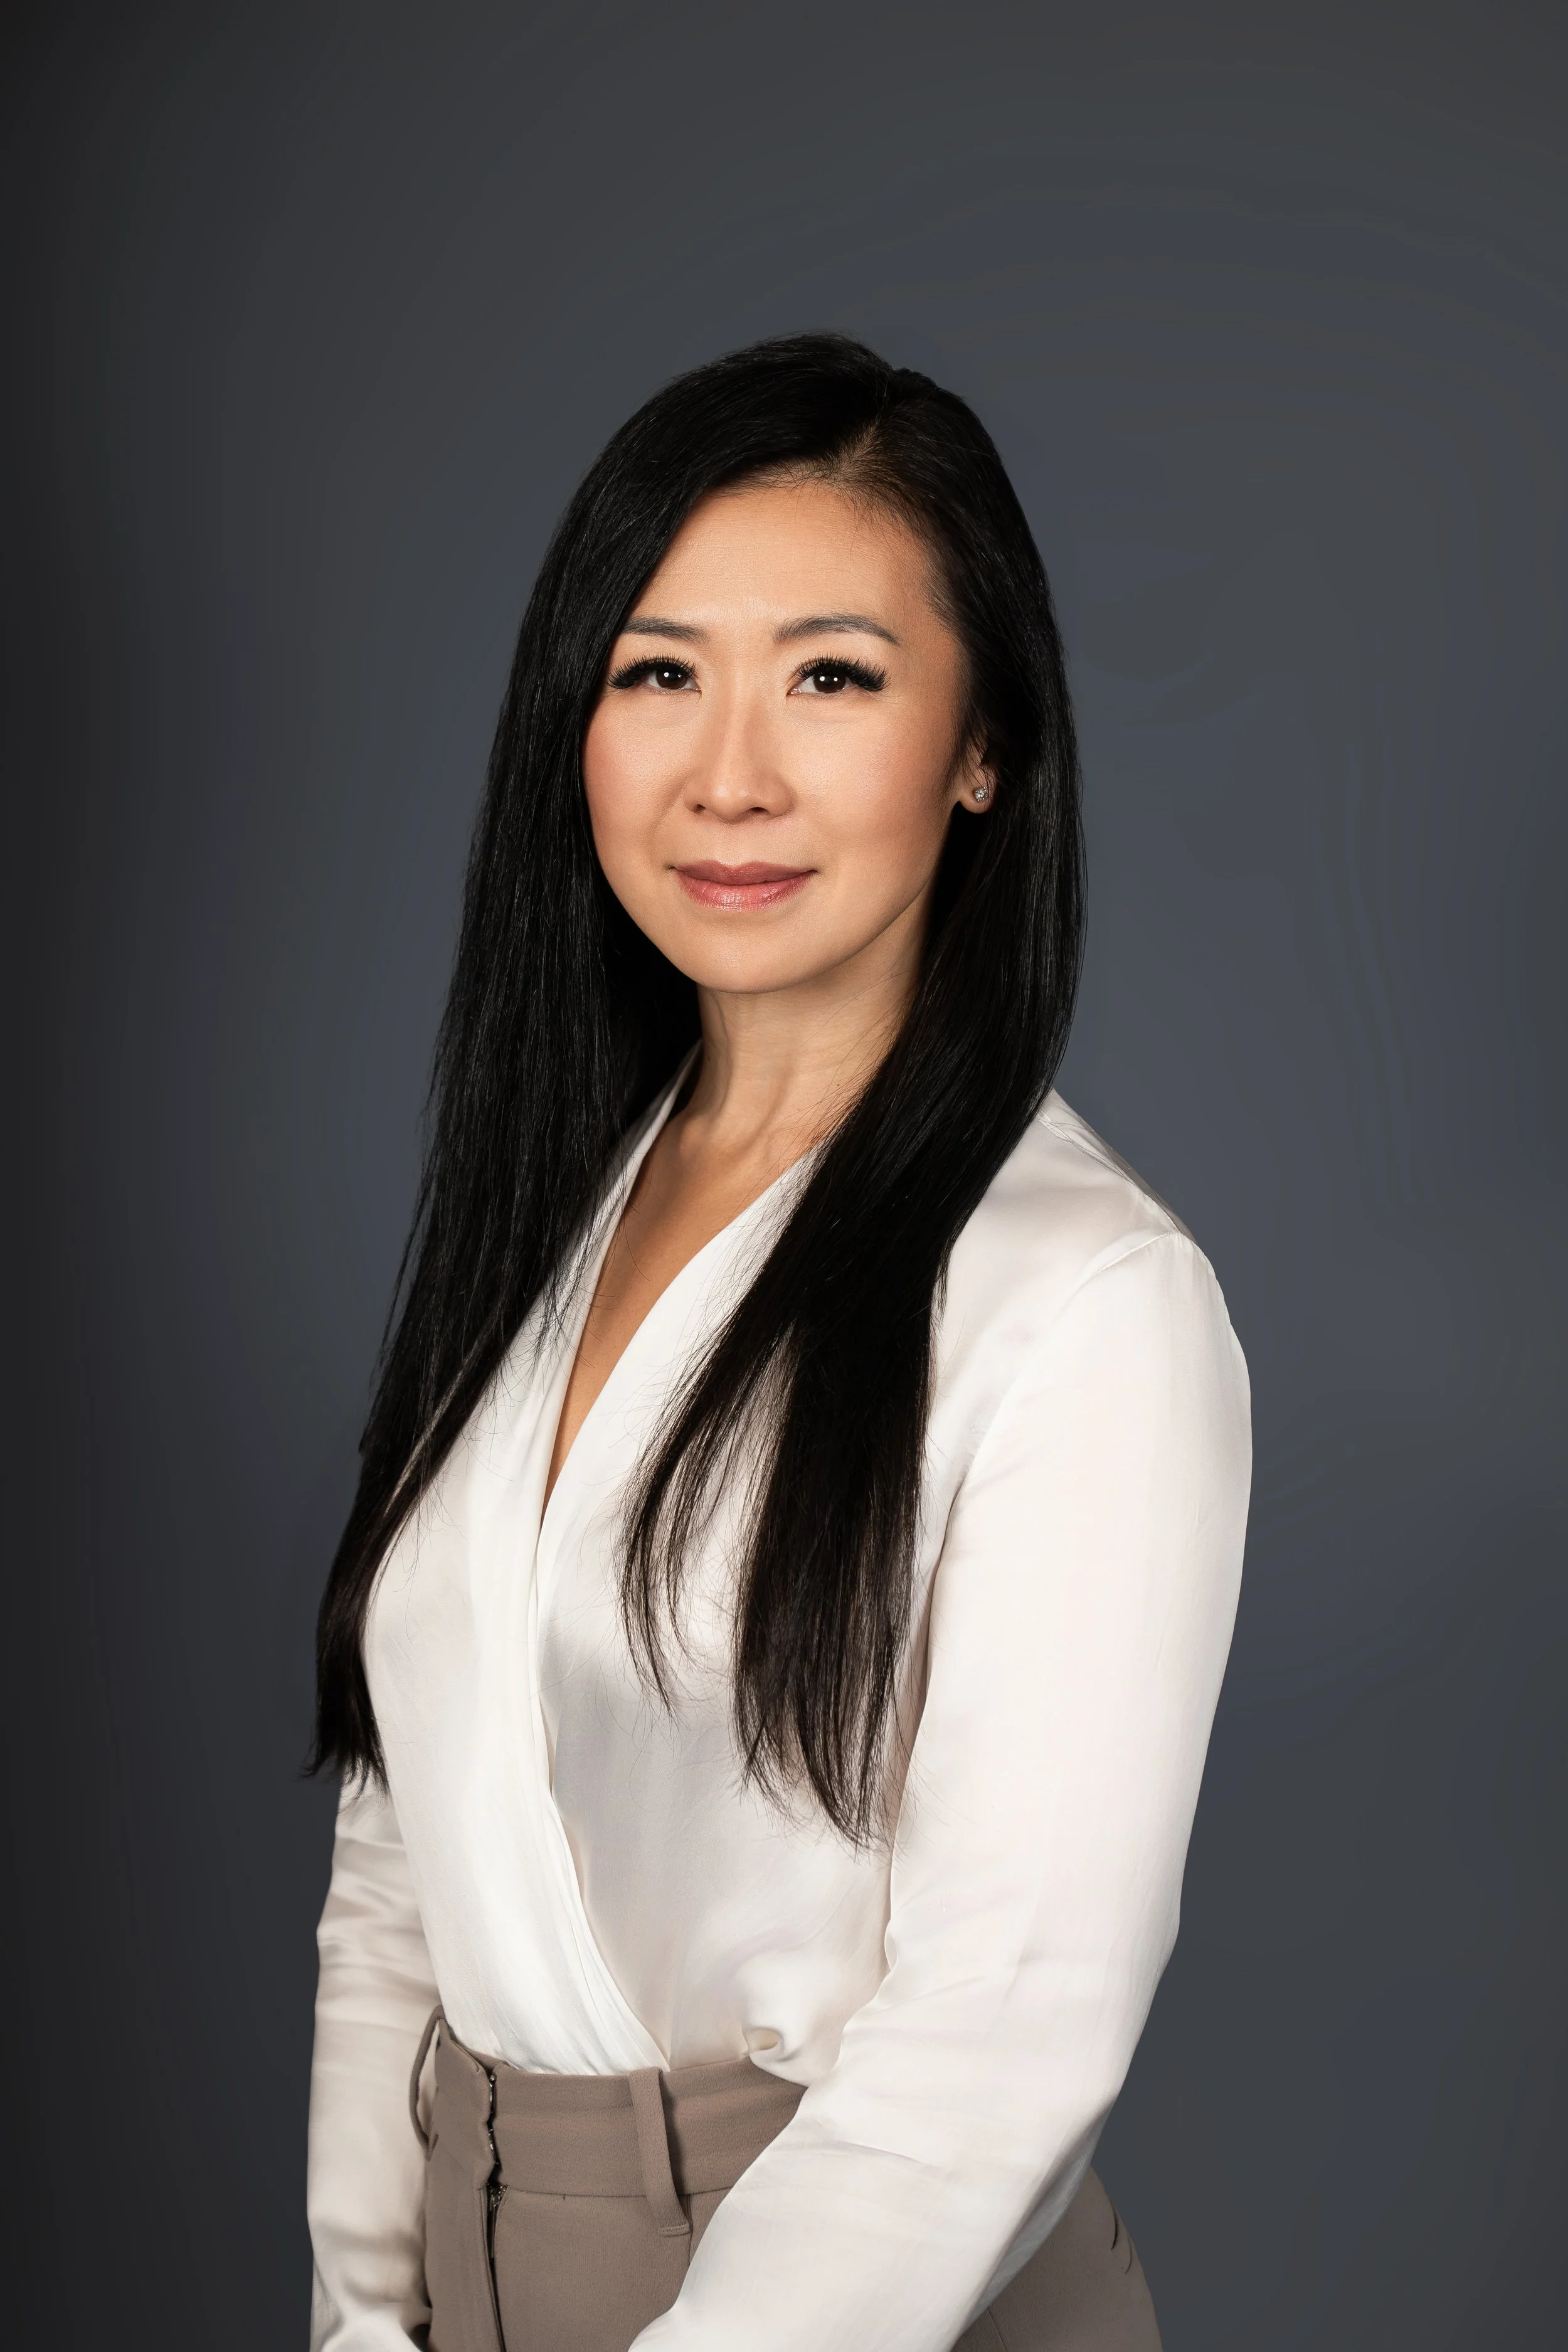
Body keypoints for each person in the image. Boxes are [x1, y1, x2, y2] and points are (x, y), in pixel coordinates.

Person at [305, 333, 1251, 2352]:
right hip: (472, 2268)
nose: (727, 773)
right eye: (658, 672)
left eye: (831, 674)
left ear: (981, 741)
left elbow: (1003, 2027)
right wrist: (356, 2312)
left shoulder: (1079, 1301)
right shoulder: (542, 1210)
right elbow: (408, 1837)